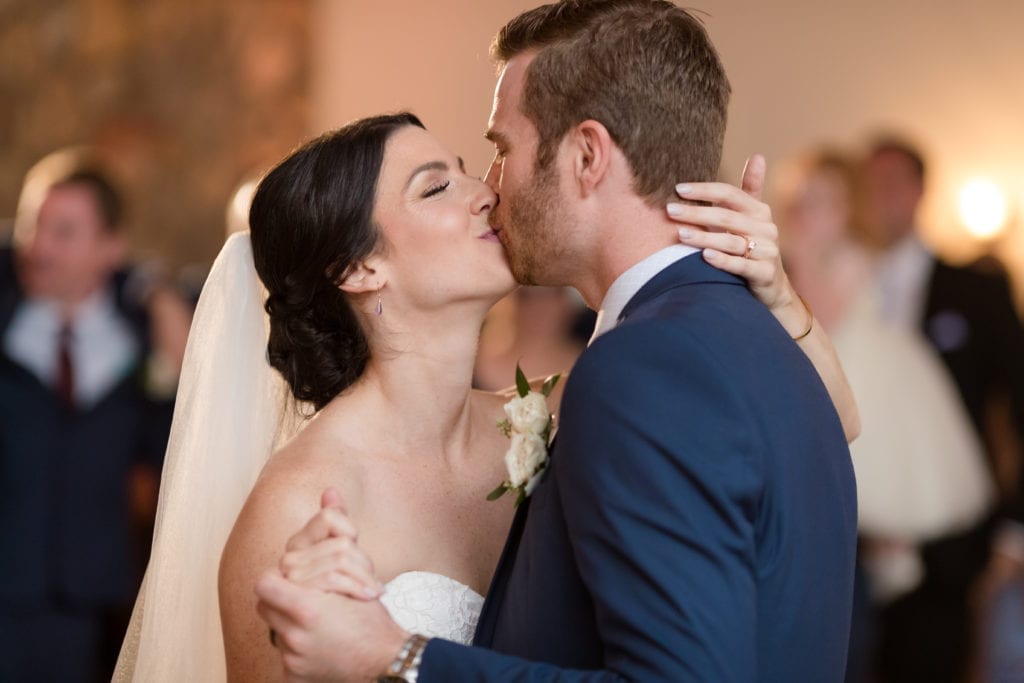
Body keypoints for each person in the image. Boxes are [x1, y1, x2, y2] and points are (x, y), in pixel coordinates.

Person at [253, 2, 858, 681]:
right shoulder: (723, 345)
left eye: (500, 148)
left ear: (588, 155)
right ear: (358, 268)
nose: (488, 188)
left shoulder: (638, 370)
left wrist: (396, 656)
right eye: (436, 187)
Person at [778, 149, 994, 682]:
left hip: (859, 393)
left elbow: (818, 315)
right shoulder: (792, 256)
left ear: (847, 207)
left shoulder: (847, 258)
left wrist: (797, 254)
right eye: (805, 200)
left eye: (824, 200)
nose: (812, 210)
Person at [0, 149, 187, 681]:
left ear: (110, 247)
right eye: (34, 225)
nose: (39, 247)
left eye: (64, 232)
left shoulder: (140, 332)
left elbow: (172, 448)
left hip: (96, 604)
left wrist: (160, 306)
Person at [862, 137, 1024, 683]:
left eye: (892, 183)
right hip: (853, 544)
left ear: (919, 192)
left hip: (948, 549)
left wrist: (1014, 530)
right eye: (871, 185)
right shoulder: (843, 288)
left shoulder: (975, 290)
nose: (880, 197)